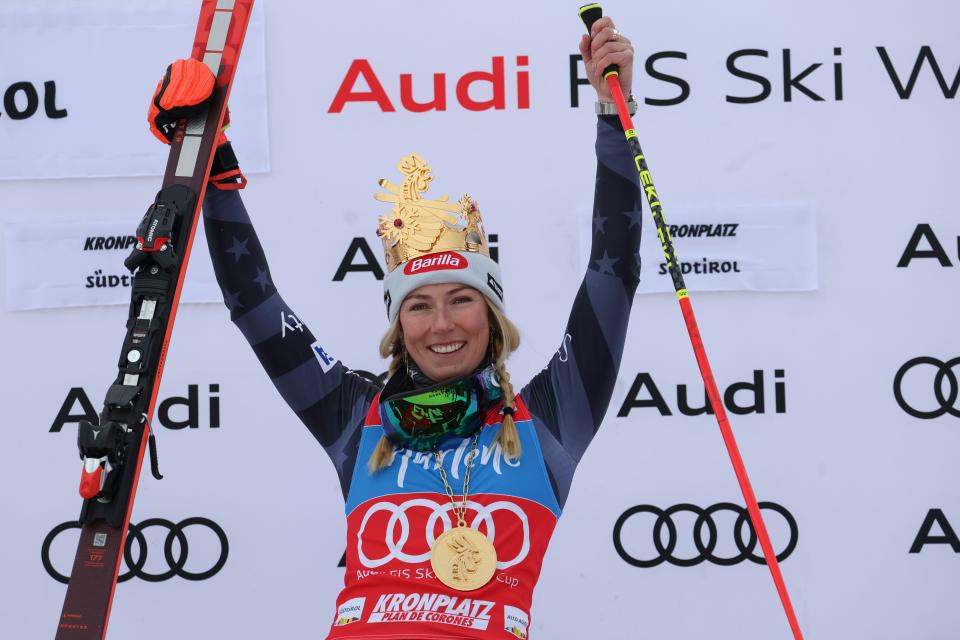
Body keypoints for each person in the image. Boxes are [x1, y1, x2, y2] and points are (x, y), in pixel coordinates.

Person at [150, 16, 640, 639]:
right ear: (397, 323)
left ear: (490, 316)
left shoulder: (551, 416)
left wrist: (611, 108)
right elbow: (256, 304)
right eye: (418, 305)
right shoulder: (358, 416)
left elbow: (612, 272)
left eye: (461, 299)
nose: (442, 324)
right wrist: (210, 160)